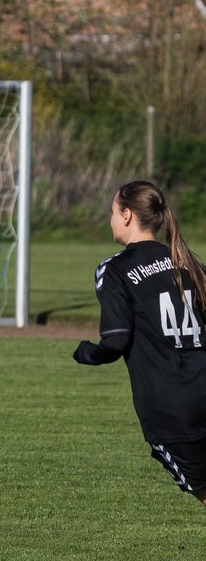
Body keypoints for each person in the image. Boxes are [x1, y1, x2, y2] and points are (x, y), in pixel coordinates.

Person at [74, 180, 206, 505]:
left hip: (172, 407)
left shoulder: (115, 269)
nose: (111, 220)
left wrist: (88, 353)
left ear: (128, 215)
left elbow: (116, 340)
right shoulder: (191, 263)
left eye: (112, 212)